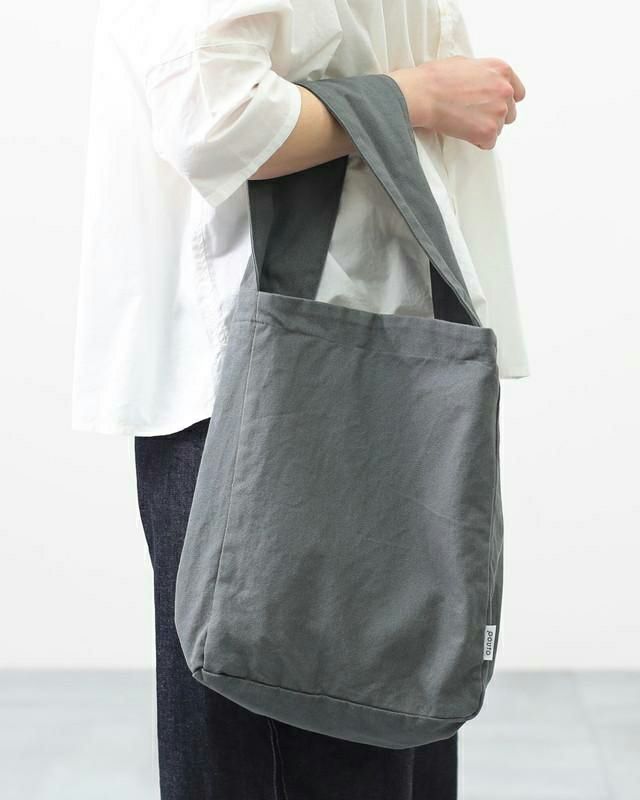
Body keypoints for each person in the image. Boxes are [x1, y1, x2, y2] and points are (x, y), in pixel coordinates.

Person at [72, 1, 529, 797]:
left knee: (385, 723)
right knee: (306, 742)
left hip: (364, 366)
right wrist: (418, 96)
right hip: (273, 390)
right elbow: (216, 119)